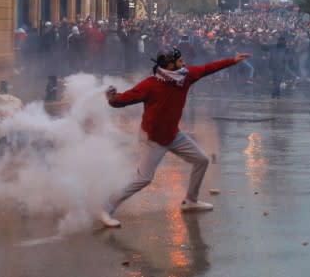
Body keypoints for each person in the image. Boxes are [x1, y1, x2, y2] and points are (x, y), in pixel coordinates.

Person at [100, 47, 251, 228]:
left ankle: (190, 201)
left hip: (173, 135)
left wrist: (232, 60)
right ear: (170, 65)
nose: (184, 64)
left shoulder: (185, 77)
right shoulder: (150, 85)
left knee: (201, 160)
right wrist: (112, 99)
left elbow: (207, 68)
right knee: (143, 179)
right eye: (180, 62)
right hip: (153, 140)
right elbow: (124, 99)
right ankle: (106, 208)